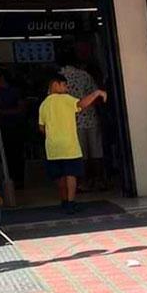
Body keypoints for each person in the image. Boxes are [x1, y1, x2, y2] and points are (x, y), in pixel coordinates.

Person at [39, 74, 107, 214]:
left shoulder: (44, 104)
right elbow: (81, 104)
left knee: (60, 177)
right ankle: (70, 202)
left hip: (53, 148)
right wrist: (96, 93)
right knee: (71, 174)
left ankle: (64, 201)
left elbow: (41, 127)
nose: (66, 88)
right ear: (55, 85)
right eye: (64, 85)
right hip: (69, 146)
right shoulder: (66, 99)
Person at [60, 53, 105, 192]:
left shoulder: (59, 79)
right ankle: (98, 181)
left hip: (73, 121)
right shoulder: (85, 75)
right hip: (90, 118)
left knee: (81, 154)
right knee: (96, 152)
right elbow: (96, 95)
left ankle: (83, 182)